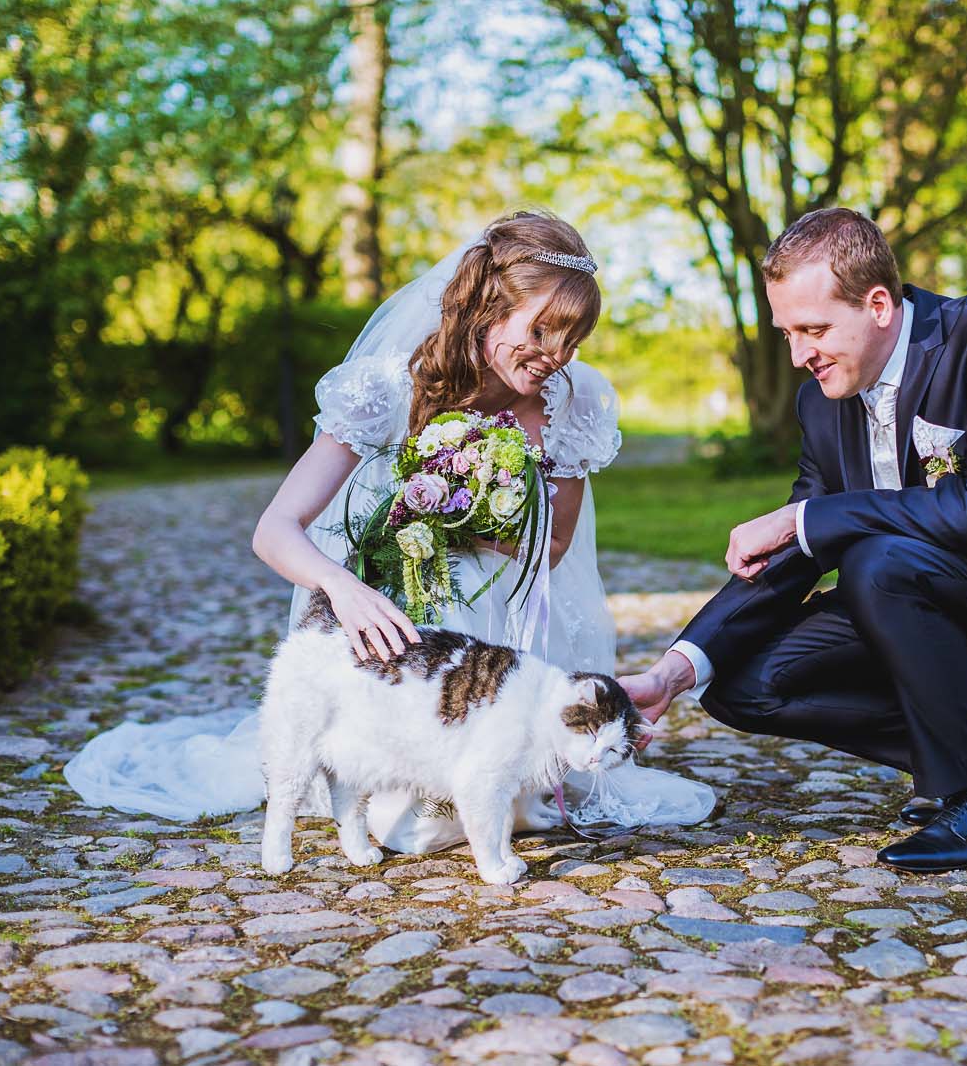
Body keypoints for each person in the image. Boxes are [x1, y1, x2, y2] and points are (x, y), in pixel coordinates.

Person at [65, 211, 713, 848]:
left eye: (573, 339)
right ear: (489, 306)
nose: (556, 356)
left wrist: (474, 516)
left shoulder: (572, 399)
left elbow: (556, 547)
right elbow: (276, 528)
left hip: (508, 621)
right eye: (542, 330)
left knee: (489, 794)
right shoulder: (387, 384)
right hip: (396, 609)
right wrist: (342, 587)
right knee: (410, 824)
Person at [618, 208, 967, 872]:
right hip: (915, 598)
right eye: (787, 332)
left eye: (813, 329)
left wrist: (802, 518)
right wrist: (675, 670)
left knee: (875, 561)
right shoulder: (820, 402)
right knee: (740, 681)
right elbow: (796, 552)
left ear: (877, 304)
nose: (798, 355)